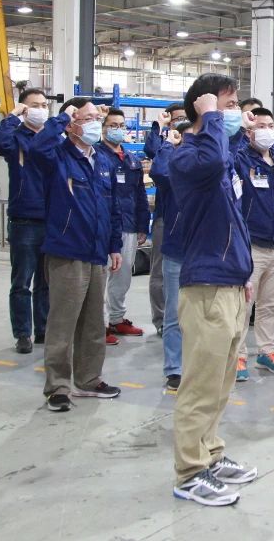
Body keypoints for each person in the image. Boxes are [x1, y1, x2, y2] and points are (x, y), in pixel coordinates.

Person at [167, 74, 258, 507]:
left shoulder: (218, 156)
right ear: (204, 107)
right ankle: (189, 471)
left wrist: (244, 274)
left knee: (221, 384)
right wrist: (209, 119)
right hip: (206, 287)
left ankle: (211, 454)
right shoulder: (188, 157)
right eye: (229, 103)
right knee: (200, 385)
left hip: (230, 283)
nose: (237, 111)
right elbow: (213, 160)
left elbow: (233, 219)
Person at [30, 98, 124, 413]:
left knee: (94, 324)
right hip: (67, 251)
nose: (96, 123)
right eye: (88, 118)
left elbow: (112, 207)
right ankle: (58, 387)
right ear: (71, 124)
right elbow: (36, 148)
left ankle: (89, 380)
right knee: (63, 323)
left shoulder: (103, 160)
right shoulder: (57, 156)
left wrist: (114, 245)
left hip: (97, 252)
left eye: (98, 117)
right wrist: (62, 118)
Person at [234, 107, 274, 381]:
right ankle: (237, 355)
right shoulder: (240, 159)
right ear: (248, 132)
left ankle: (266, 350)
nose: (267, 130)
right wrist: (236, 131)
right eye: (261, 126)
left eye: (271, 125)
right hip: (250, 243)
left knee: (269, 305)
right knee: (243, 305)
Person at [0, 89, 52, 354]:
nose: (41, 109)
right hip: (24, 220)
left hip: (50, 220)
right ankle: (23, 333)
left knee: (46, 282)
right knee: (22, 282)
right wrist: (13, 116)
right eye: (35, 105)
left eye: (44, 104)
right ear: (24, 109)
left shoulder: (52, 138)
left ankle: (43, 329)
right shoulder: (16, 138)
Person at [97, 108, 150, 342]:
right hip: (104, 226)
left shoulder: (131, 160)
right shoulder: (96, 157)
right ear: (103, 128)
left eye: (121, 125)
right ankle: (98, 325)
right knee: (100, 278)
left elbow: (140, 195)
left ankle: (116, 319)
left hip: (128, 225)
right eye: (113, 125)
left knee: (123, 275)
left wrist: (142, 225)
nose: (118, 129)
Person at [147, 124, 185, 391]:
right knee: (173, 313)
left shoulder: (207, 168)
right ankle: (174, 368)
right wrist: (168, 143)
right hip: (176, 249)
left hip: (204, 252)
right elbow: (158, 171)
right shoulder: (173, 170)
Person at [144, 102, 187, 336]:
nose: (181, 122)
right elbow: (151, 150)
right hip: (165, 216)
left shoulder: (193, 145)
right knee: (161, 271)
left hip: (190, 220)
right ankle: (161, 319)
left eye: (185, 118)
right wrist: (158, 127)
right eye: (176, 118)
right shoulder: (165, 145)